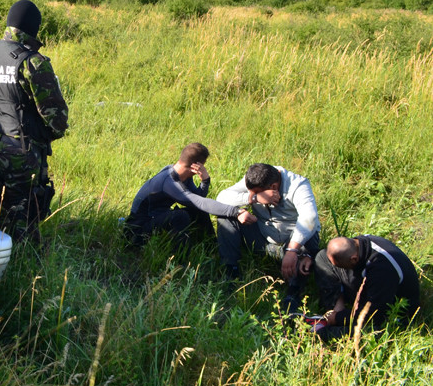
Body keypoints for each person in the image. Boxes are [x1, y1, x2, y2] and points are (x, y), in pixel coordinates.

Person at [0, 0, 68, 242]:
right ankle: (23, 265)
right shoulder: (32, 62)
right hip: (22, 151)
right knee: (22, 215)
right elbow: (57, 120)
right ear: (33, 28)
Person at [216, 163, 320, 310]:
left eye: (256, 192)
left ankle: (293, 292)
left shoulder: (298, 185)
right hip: (262, 238)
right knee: (227, 215)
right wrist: (254, 198)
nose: (252, 193)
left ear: (273, 187)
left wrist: (292, 250)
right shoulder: (255, 178)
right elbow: (221, 197)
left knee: (308, 242)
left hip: (293, 242)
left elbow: (309, 218)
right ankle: (230, 272)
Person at [124, 143, 255, 246]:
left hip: (155, 218)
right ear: (196, 166)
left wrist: (205, 181)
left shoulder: (183, 175)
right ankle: (182, 260)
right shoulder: (168, 180)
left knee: (199, 211)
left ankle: (212, 247)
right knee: (180, 216)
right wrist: (236, 212)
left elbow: (198, 200)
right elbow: (198, 202)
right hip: (138, 228)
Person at [312, 234, 420, 339]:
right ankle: (336, 307)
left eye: (340, 266)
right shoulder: (359, 245)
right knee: (322, 257)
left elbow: (374, 315)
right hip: (368, 284)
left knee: (370, 332)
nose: (338, 268)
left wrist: (338, 318)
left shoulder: (382, 269)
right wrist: (339, 310)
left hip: (388, 308)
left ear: (354, 259)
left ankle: (322, 331)